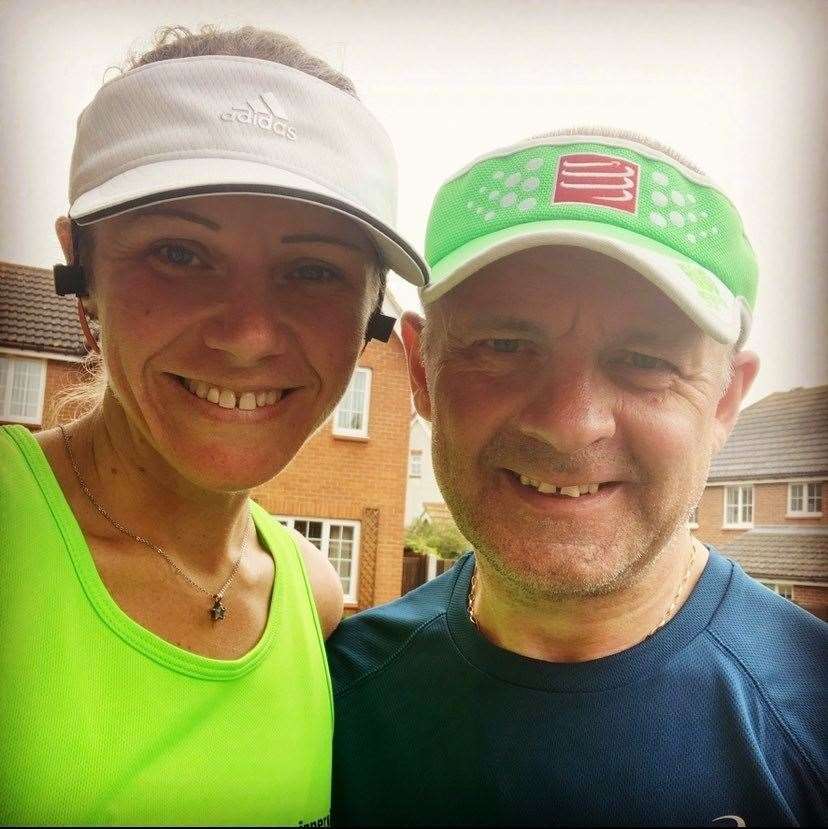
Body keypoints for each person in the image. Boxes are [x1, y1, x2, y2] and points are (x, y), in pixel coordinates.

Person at [327, 128, 827, 826]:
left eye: (646, 359)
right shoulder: (324, 703)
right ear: (421, 369)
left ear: (724, 400)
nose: (569, 422)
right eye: (504, 346)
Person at [0, 25, 427, 826]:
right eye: (180, 254)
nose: (248, 334)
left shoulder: (312, 595)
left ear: (371, 308)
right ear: (82, 272)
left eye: (311, 271)